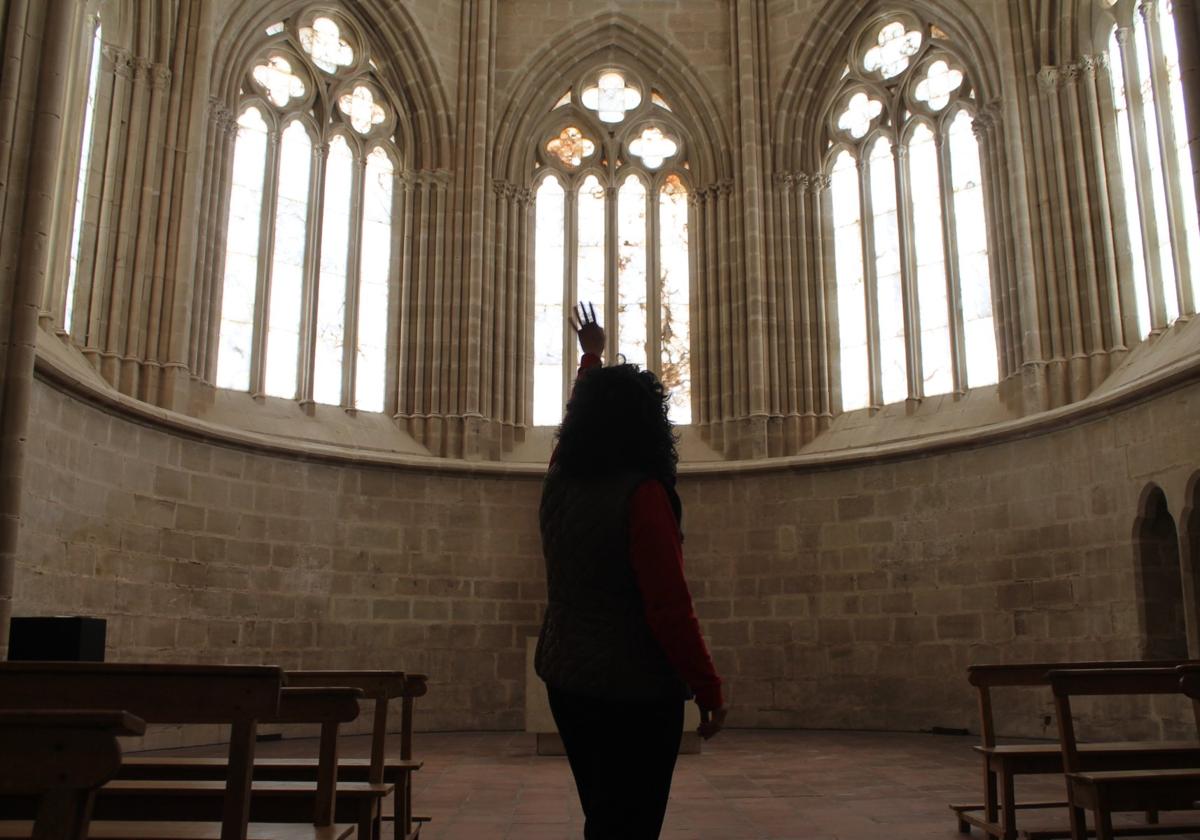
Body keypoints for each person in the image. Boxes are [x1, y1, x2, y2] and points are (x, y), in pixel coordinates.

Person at [535, 302, 728, 840]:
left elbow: (574, 423)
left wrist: (590, 358)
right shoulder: (643, 495)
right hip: (634, 688)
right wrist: (707, 688)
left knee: (604, 816)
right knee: (634, 825)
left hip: (567, 676)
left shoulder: (559, 481)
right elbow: (668, 606)